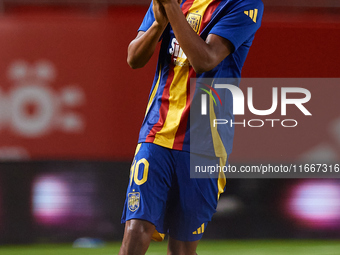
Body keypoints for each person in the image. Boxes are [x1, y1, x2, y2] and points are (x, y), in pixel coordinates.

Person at [119, 0, 263, 254]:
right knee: (136, 229)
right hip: (157, 132)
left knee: (182, 248)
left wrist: (171, 11)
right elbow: (133, 58)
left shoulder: (244, 4)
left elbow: (205, 60)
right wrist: (158, 24)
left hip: (205, 143)